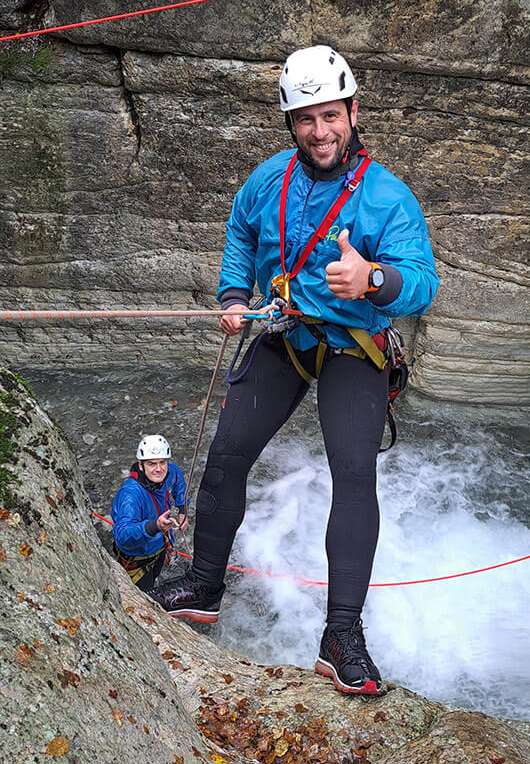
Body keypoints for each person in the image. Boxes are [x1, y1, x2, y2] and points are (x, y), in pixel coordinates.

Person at [150, 45, 439, 695]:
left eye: (330, 115)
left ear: (353, 111)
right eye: (306, 119)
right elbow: (240, 230)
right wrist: (232, 296)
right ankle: (202, 585)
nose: (320, 131)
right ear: (292, 124)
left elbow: (421, 282)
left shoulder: (386, 198)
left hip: (352, 346)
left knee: (354, 474)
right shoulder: (271, 179)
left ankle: (342, 637)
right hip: (283, 331)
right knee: (226, 454)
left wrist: (374, 278)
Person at [111, 434, 188, 592]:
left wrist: (182, 508)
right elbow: (123, 536)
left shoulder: (169, 473)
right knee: (143, 594)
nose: (159, 469)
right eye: (152, 464)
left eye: (162, 462)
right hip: (138, 556)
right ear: (141, 465)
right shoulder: (131, 495)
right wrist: (155, 526)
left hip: (159, 544)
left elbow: (178, 480)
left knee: (155, 577)